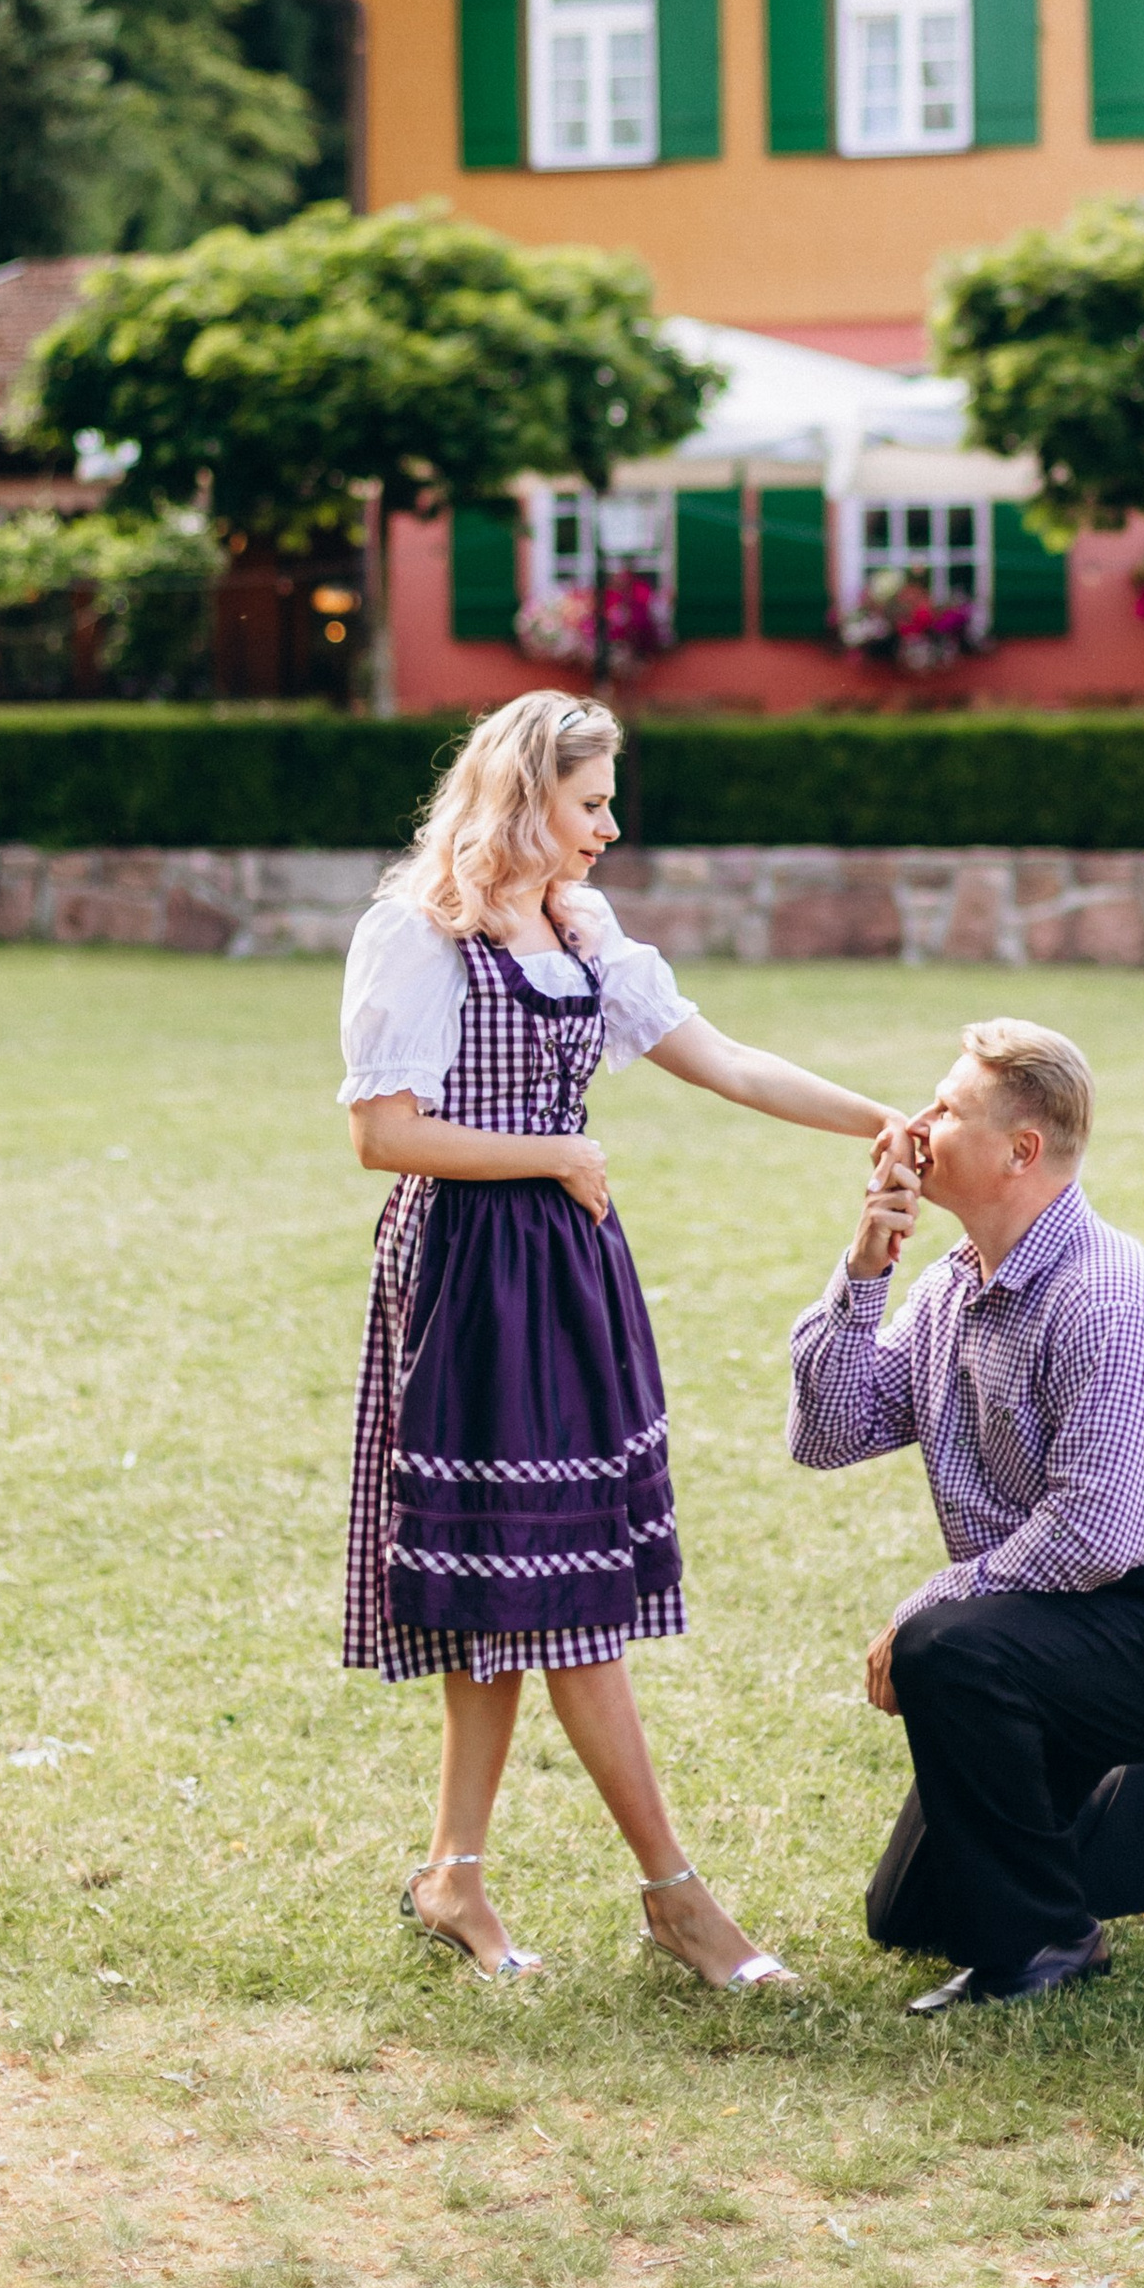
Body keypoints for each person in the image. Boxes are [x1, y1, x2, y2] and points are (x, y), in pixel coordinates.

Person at [342, 686, 906, 1991]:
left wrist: (884, 1118)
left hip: (564, 1270)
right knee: (565, 1591)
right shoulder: (419, 936)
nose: (608, 827)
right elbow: (383, 1134)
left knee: (520, 1582)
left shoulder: (583, 932)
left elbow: (728, 1061)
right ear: (523, 797)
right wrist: (555, 1153)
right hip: (470, 1272)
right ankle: (676, 1897)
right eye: (590, 802)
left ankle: (453, 1876)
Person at [787, 1015, 1144, 2012]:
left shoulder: (1105, 1297)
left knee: (944, 1649)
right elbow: (827, 1433)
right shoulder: (950, 1289)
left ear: (1020, 1151)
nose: (916, 1125)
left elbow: (1100, 1533)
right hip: (1053, 1618)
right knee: (908, 1915)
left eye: (946, 1109)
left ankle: (1048, 1945)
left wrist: (932, 1603)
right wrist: (865, 1267)